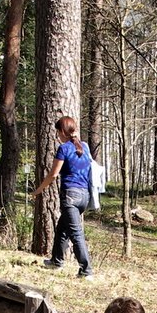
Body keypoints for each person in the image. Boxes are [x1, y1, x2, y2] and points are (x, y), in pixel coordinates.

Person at [31, 116, 94, 278]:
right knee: (62, 229)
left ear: (61, 132)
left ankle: (86, 271)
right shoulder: (85, 147)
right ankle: (56, 261)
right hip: (84, 197)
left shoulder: (64, 148)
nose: (57, 135)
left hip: (70, 196)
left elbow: (53, 174)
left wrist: (38, 190)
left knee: (75, 234)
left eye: (57, 132)